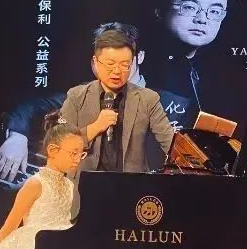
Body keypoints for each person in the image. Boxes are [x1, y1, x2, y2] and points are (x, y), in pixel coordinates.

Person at [0, 22, 145, 184]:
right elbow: (30, 107)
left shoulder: (161, 102)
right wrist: (17, 137)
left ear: (139, 57)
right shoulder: (80, 94)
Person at [58, 29, 175, 220]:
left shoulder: (148, 99)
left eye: (125, 65)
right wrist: (95, 127)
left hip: (132, 190)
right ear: (95, 62)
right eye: (110, 64)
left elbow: (169, 140)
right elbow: (62, 143)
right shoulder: (76, 96)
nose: (117, 71)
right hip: (84, 190)